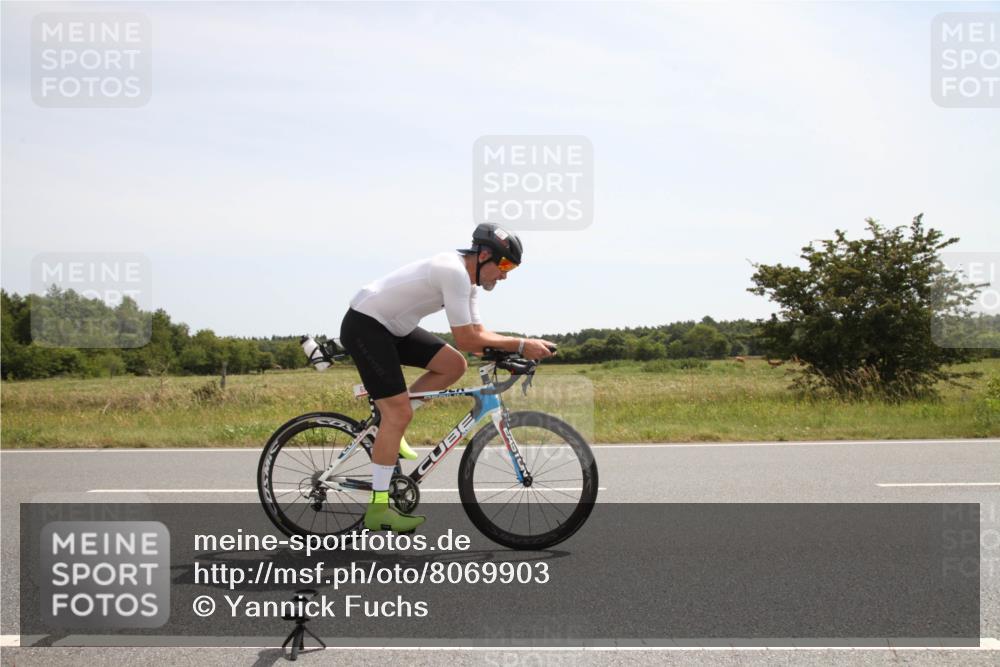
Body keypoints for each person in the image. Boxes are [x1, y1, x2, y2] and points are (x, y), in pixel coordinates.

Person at [339, 223, 556, 532]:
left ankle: (391, 429)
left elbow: (479, 336)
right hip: (366, 325)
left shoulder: (467, 283)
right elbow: (469, 339)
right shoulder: (452, 271)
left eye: (512, 268)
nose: (505, 274)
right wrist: (523, 344)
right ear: (483, 255)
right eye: (504, 265)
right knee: (397, 412)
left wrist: (507, 353)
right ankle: (378, 509)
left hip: (393, 328)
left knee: (452, 365)